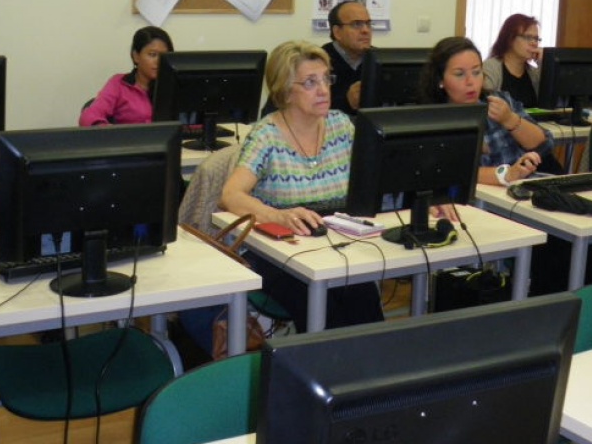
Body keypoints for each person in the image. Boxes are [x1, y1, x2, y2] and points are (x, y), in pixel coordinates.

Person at [221, 40, 384, 331]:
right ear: (285, 90)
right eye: (310, 82)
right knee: (325, 311)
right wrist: (279, 215)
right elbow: (231, 195)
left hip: (335, 243)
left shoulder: (341, 126)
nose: (323, 90)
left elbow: (379, 174)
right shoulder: (267, 135)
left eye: (326, 79)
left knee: (365, 306)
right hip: (280, 250)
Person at [419, 36, 554, 187]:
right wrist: (507, 174)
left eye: (476, 72)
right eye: (459, 74)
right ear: (440, 80)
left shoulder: (500, 101)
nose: (470, 82)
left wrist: (510, 119)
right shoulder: (433, 120)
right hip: (480, 198)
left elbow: (544, 143)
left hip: (521, 189)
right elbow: (445, 170)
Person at [79, 26, 173, 126]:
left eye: (164, 56)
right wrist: (109, 132)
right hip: (129, 140)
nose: (159, 62)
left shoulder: (174, 87)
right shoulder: (119, 84)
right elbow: (88, 116)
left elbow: (189, 123)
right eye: (152, 55)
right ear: (136, 56)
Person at [482, 13, 543, 108]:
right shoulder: (490, 68)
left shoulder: (534, 73)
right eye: (528, 37)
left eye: (536, 39)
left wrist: (543, 63)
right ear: (510, 39)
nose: (534, 43)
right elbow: (486, 106)